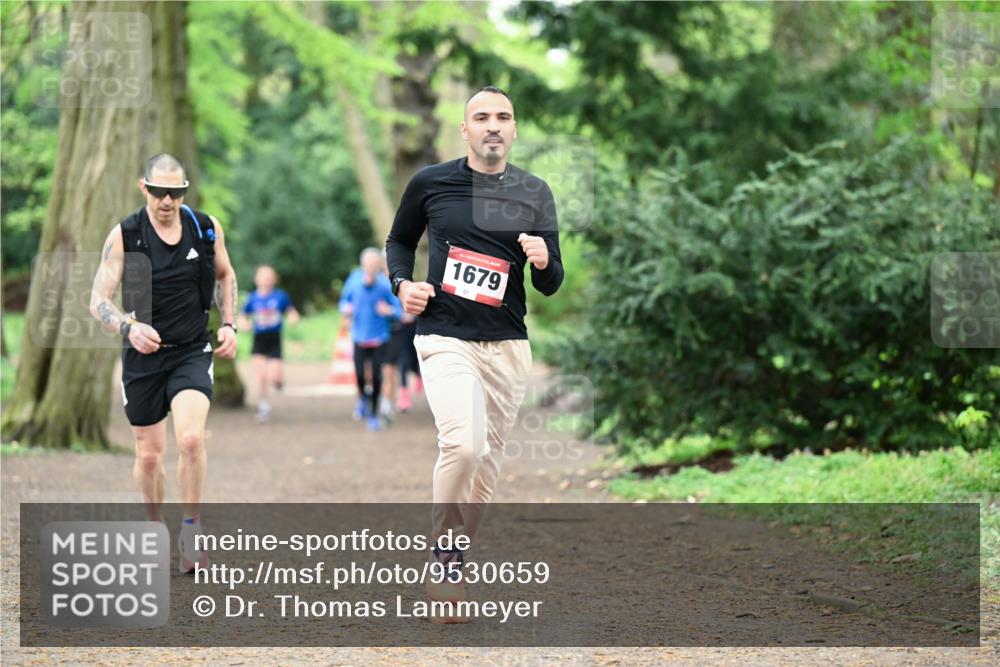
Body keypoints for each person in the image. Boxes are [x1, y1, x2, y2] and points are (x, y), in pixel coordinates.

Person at [385, 85, 563, 622]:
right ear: (464, 129)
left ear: (513, 129)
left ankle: (455, 556)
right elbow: (398, 242)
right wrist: (401, 284)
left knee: (485, 467)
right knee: (463, 446)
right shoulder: (432, 183)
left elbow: (553, 283)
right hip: (444, 335)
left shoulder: (534, 190)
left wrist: (542, 257)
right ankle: (443, 559)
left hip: (507, 344)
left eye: (503, 117)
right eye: (481, 116)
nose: (493, 125)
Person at [90, 153, 238, 574]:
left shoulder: (205, 228)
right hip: (143, 355)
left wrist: (229, 324)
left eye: (176, 192)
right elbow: (97, 299)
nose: (167, 200)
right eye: (159, 192)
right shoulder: (126, 235)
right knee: (150, 456)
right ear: (145, 188)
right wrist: (126, 328)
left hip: (192, 349)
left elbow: (227, 275)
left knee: (191, 439)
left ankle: (191, 530)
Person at [339, 248, 402, 431]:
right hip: (359, 337)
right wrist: (347, 308)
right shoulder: (353, 280)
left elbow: (398, 309)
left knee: (376, 377)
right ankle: (363, 400)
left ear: (379, 265)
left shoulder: (384, 284)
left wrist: (388, 311)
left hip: (380, 339)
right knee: (359, 375)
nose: (372, 267)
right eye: (368, 263)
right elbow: (343, 302)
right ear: (363, 264)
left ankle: (374, 415)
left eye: (375, 263)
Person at [239, 265, 299, 423]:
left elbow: (291, 311)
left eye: (268, 278)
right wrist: (244, 324)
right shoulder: (252, 298)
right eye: (262, 277)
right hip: (259, 340)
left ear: (273, 280)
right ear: (256, 280)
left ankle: (279, 382)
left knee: (274, 376)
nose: (265, 281)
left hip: (274, 339)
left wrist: (293, 317)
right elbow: (243, 316)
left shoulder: (280, 296)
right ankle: (263, 406)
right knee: (261, 376)